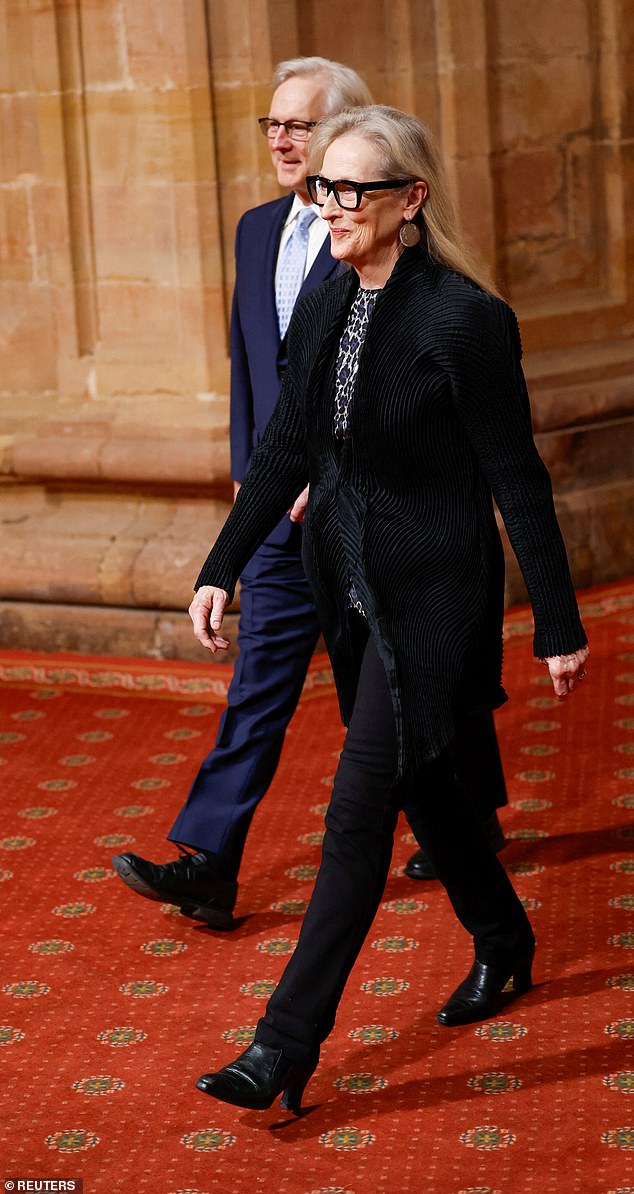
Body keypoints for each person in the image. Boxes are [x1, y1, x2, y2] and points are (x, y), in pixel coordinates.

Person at [189, 105, 589, 1112]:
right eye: (323, 185)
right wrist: (221, 567)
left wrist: (555, 619)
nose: (330, 205)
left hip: (436, 597)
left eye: (352, 188)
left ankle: (282, 1045)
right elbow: (286, 448)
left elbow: (515, 475)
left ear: (410, 199)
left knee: (356, 813)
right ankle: (503, 936)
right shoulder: (327, 301)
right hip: (348, 586)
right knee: (429, 789)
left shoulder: (464, 319)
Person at [111, 60, 507, 926]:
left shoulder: (382, 249)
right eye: (274, 126)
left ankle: (469, 817)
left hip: (377, 517)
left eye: (304, 127)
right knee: (259, 679)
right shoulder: (258, 229)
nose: (285, 142)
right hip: (279, 505)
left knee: (419, 673)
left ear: (349, 140)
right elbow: (253, 375)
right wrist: (249, 493)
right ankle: (211, 856)